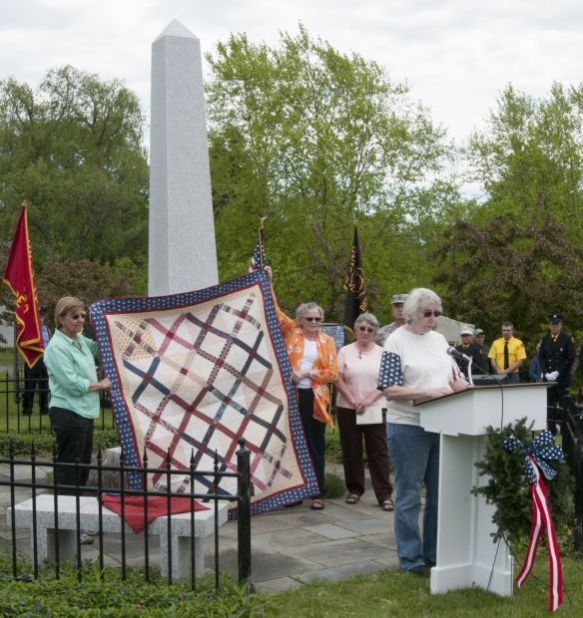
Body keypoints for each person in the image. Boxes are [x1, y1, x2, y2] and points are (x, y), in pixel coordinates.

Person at [380, 288, 468, 575]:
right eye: (427, 313)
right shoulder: (395, 341)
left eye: (437, 314)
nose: (433, 319)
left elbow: (454, 379)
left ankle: (433, 554)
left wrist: (471, 392)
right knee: (409, 495)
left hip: (442, 424)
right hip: (408, 427)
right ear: (410, 314)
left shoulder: (440, 339)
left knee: (439, 495)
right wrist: (430, 392)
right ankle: (411, 559)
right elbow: (390, 390)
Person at [266, 269, 338, 510]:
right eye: (309, 319)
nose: (314, 323)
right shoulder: (291, 332)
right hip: (291, 396)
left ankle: (317, 492)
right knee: (291, 443)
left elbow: (333, 373)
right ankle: (294, 491)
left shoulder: (327, 341)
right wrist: (269, 281)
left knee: (315, 444)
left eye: (317, 319)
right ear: (300, 320)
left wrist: (308, 374)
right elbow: (273, 310)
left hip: (314, 398)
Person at [43, 297, 111, 541]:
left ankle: (75, 522)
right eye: (75, 316)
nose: (80, 320)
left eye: (82, 316)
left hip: (84, 412)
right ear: (61, 319)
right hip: (68, 413)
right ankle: (66, 525)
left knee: (81, 470)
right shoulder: (56, 348)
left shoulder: (80, 340)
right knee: (69, 472)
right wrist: (101, 384)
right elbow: (72, 384)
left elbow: (101, 347)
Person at [335, 312, 393, 511]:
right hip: (348, 406)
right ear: (356, 330)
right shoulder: (344, 351)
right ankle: (354, 489)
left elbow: (387, 382)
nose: (365, 332)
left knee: (378, 452)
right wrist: (353, 399)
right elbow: (337, 378)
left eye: (370, 329)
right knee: (351, 450)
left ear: (375, 332)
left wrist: (368, 400)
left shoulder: (383, 353)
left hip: (375, 407)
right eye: (362, 328)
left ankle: (384, 495)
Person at [539, 313, 576, 433]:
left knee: (563, 407)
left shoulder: (567, 339)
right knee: (550, 407)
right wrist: (545, 373)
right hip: (549, 379)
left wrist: (558, 372)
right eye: (552, 324)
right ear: (549, 325)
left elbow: (570, 358)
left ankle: (564, 431)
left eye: (557, 324)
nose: (555, 326)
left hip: (562, 379)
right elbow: (541, 357)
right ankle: (550, 431)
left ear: (561, 325)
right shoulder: (545, 339)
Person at [22, 308, 51, 416]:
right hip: (32, 360)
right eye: (39, 316)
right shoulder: (29, 330)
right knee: (30, 385)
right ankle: (27, 410)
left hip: (44, 360)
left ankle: (44, 410)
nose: (41, 319)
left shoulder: (47, 330)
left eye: (42, 317)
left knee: (44, 385)